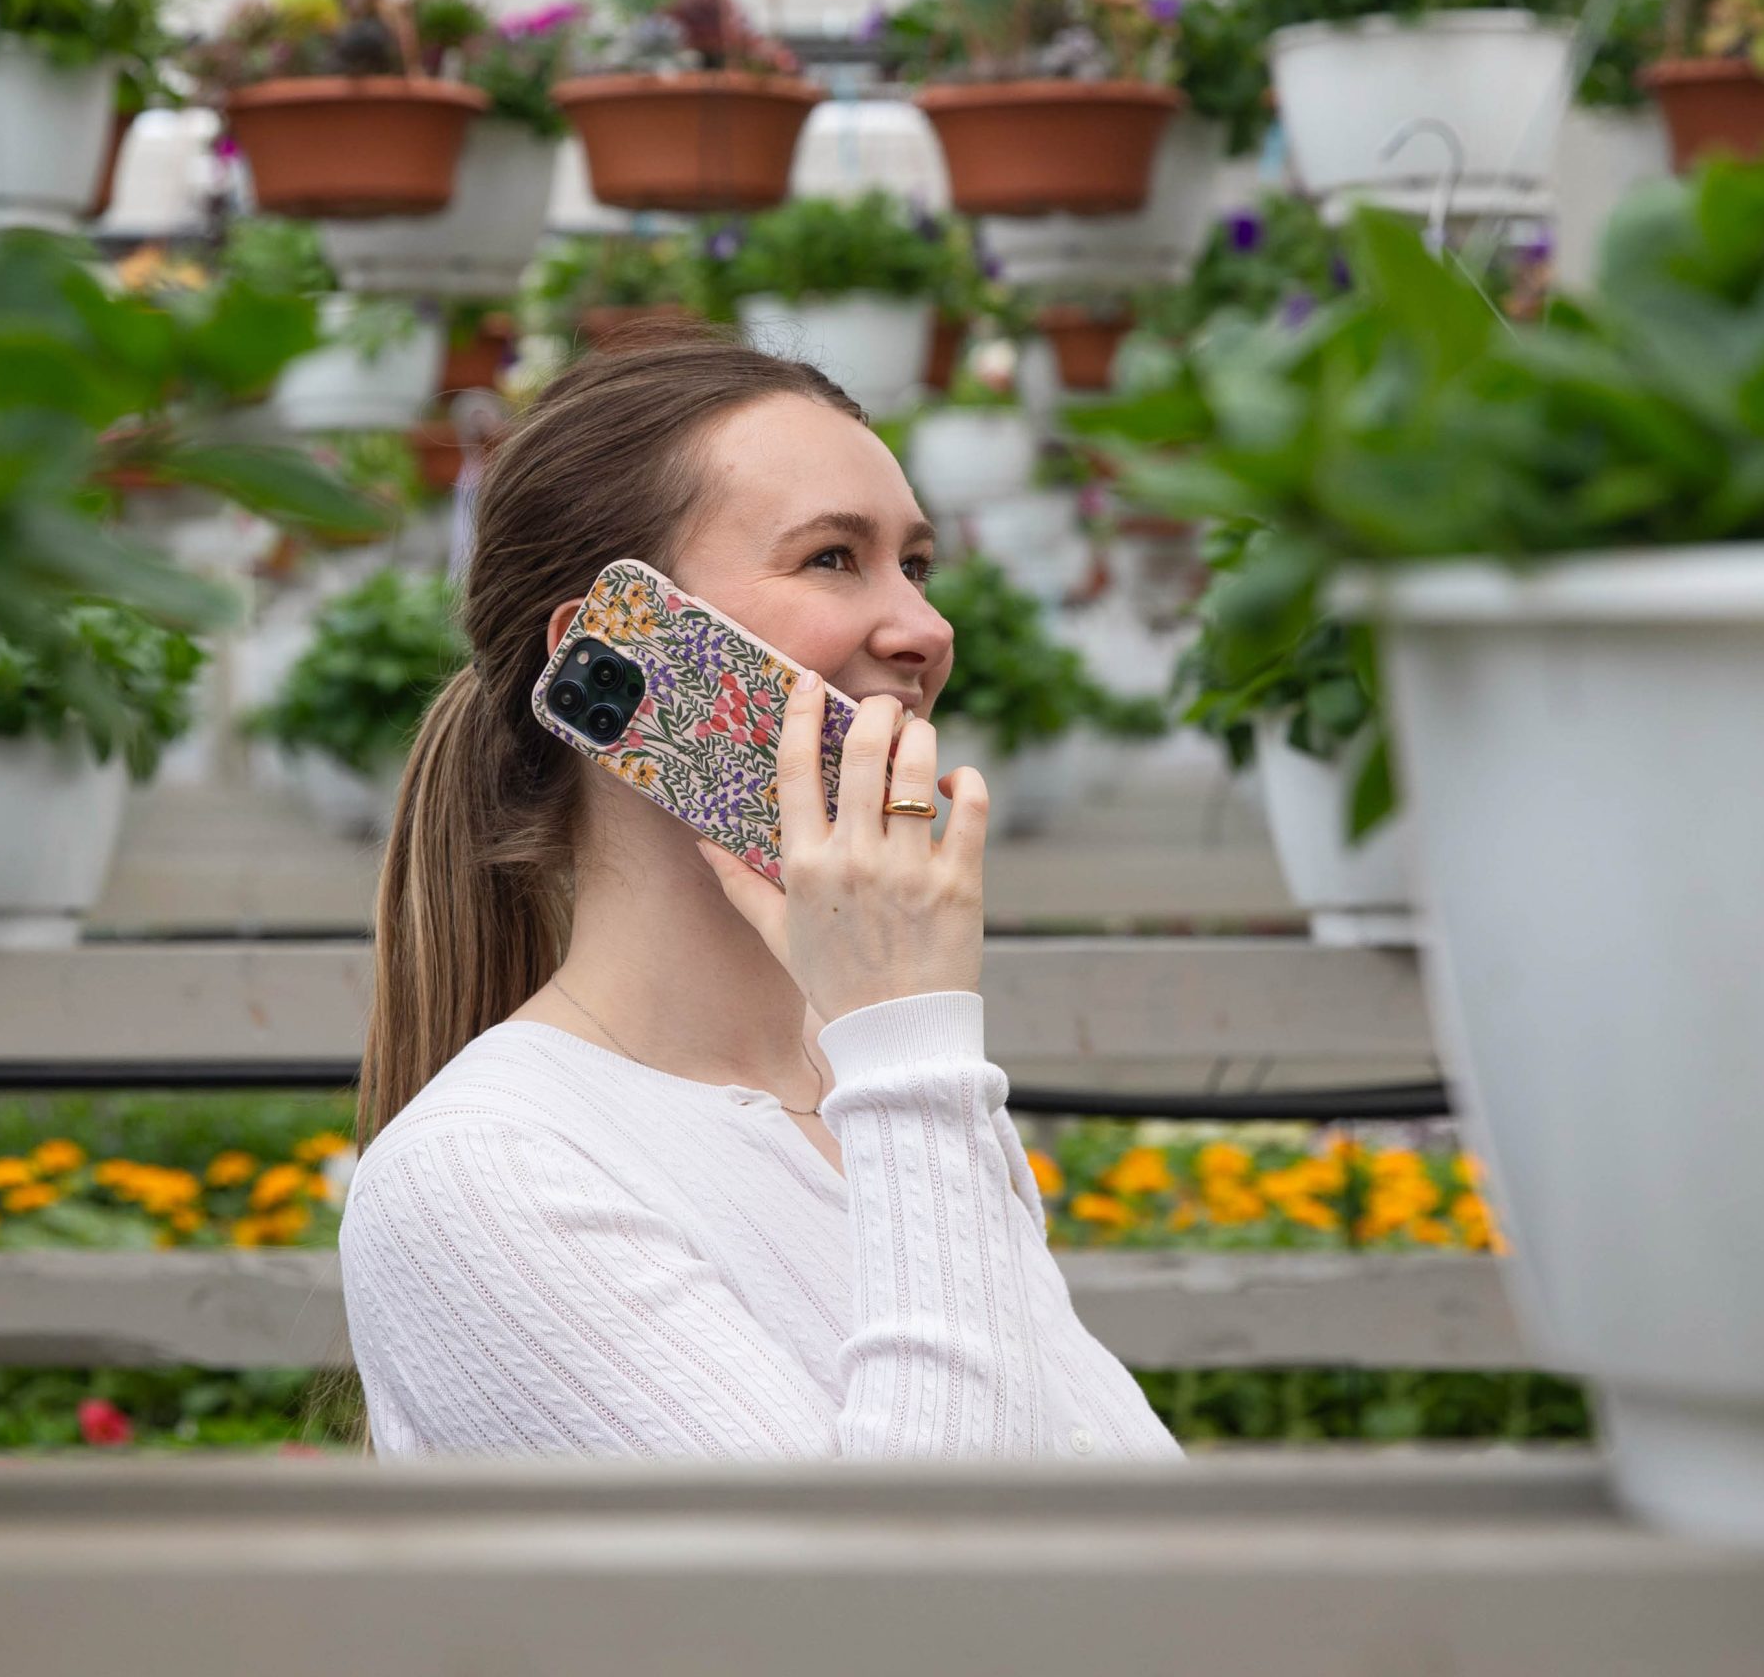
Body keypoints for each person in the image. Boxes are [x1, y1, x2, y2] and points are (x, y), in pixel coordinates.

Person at [340, 337, 1178, 1462]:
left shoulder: (883, 1087)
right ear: (618, 650)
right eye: (834, 557)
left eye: (916, 565)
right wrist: (907, 1055)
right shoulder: (483, 1172)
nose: (925, 632)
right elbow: (883, 1617)